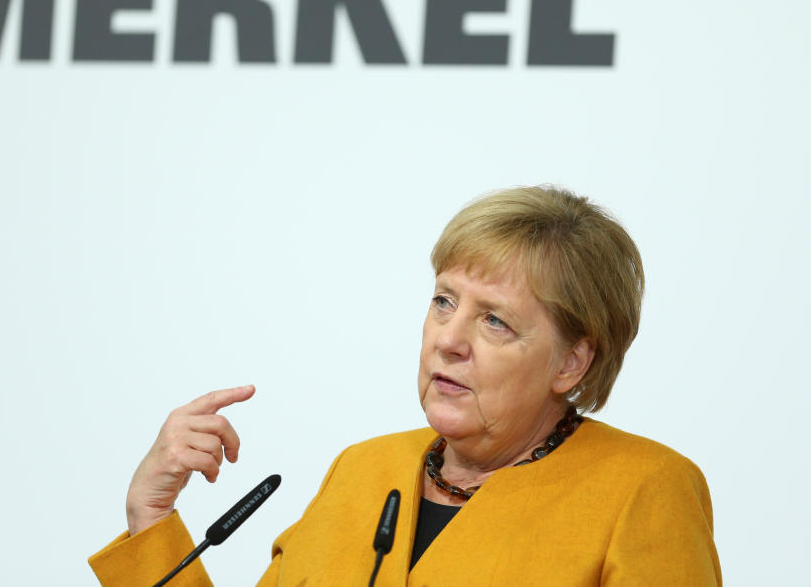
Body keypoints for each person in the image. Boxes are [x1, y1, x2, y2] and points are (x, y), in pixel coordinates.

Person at [88, 186, 722, 586]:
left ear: (571, 364)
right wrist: (153, 520)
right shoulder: (362, 471)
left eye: (494, 320)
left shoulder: (646, 488)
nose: (449, 338)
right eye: (444, 301)